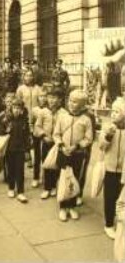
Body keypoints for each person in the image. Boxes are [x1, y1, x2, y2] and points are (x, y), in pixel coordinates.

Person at [53, 89, 93, 222]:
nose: (71, 103)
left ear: (82, 105)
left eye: (75, 102)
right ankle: (63, 207)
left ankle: (72, 206)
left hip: (77, 154)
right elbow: (56, 134)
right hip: (63, 153)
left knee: (75, 179)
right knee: (63, 179)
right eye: (70, 100)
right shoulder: (62, 117)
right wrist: (61, 146)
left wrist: (76, 146)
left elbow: (89, 138)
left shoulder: (86, 120)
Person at [99, 97, 125, 240]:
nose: (113, 114)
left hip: (123, 171)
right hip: (110, 169)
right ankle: (109, 224)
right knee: (109, 197)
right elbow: (101, 147)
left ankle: (119, 220)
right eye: (113, 111)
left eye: (117, 111)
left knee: (121, 198)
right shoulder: (107, 127)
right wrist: (108, 136)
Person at [35, 87, 67, 199]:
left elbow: (66, 129)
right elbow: (37, 127)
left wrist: (61, 140)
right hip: (46, 142)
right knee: (47, 164)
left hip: (58, 143)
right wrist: (43, 135)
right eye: (50, 97)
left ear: (60, 100)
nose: (52, 100)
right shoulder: (43, 112)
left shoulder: (64, 113)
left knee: (57, 165)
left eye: (55, 98)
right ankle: (47, 188)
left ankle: (54, 186)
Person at [0, 98, 30, 203]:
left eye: (18, 108)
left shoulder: (24, 121)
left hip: (20, 149)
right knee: (11, 169)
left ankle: (20, 191)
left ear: (22, 110)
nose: (16, 110)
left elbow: (27, 136)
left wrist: (27, 150)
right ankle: (11, 188)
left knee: (20, 170)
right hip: (9, 149)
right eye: (14, 108)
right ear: (11, 108)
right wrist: (5, 130)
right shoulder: (6, 119)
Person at [16, 69, 43, 180]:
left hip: (36, 120)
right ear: (23, 77)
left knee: (36, 147)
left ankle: (36, 175)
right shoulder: (20, 89)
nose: (29, 77)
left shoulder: (38, 89)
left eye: (31, 75)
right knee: (23, 144)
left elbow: (42, 102)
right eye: (27, 75)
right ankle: (20, 172)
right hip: (24, 120)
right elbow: (17, 104)